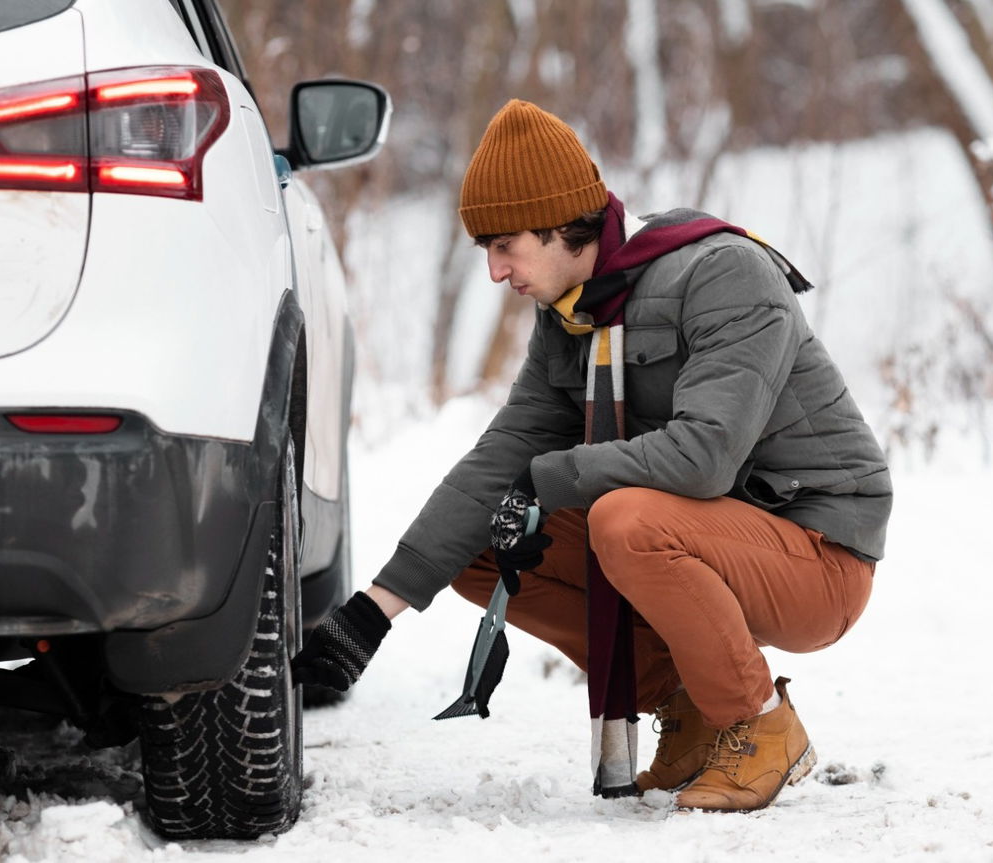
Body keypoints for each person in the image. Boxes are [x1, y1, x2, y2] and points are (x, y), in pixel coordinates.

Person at [292, 99, 893, 813]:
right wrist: (372, 612)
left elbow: (704, 458)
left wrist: (552, 476)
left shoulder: (723, 274)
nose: (493, 270)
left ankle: (758, 722)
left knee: (625, 519)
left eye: (504, 244)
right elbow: (502, 458)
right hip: (711, 534)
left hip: (817, 553)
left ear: (558, 225)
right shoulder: (572, 314)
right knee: (492, 542)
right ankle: (691, 708)